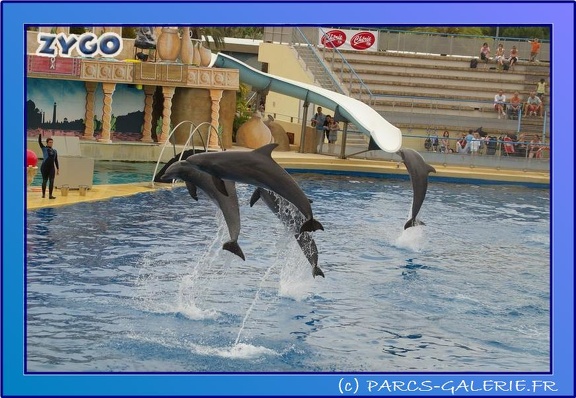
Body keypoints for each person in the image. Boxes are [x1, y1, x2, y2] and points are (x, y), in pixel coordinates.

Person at [38, 134, 60, 199]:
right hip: (44, 167)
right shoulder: (44, 148)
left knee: (52, 181)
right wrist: (40, 135)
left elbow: (56, 160)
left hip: (51, 168)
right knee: (44, 181)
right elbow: (39, 142)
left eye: (52, 142)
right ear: (47, 143)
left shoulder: (55, 151)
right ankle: (43, 194)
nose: (51, 143)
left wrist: (58, 168)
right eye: (50, 142)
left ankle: (50, 195)